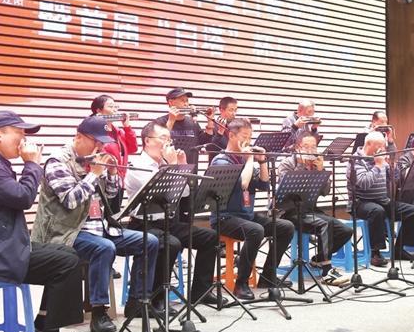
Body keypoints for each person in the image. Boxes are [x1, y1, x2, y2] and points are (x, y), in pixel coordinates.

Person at [0, 111, 90, 332]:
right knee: (65, 262)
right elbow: (23, 198)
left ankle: (43, 327)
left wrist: (29, 165)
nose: (24, 140)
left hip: (1, 247)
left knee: (67, 252)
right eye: (19, 132)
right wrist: (32, 164)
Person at [31, 116, 159, 332]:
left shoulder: (93, 160)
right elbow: (71, 200)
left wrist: (111, 174)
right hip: (67, 232)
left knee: (149, 241)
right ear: (79, 137)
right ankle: (99, 312)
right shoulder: (58, 161)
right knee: (103, 248)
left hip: (100, 227)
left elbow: (110, 196)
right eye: (96, 141)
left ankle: (137, 302)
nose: (100, 147)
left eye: (102, 143)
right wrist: (94, 174)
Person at [125, 121, 223, 307]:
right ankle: (157, 298)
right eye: (163, 138)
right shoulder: (136, 165)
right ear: (147, 141)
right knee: (171, 244)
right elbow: (161, 193)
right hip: (144, 224)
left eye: (169, 139)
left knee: (210, 237)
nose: (168, 143)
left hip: (169, 223)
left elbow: (184, 193)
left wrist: (182, 166)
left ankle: (201, 292)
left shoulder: (165, 163)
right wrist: (172, 165)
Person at [210, 118, 295, 300]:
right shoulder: (221, 161)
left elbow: (264, 185)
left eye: (250, 137)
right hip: (225, 218)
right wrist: (249, 159)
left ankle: (267, 276)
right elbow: (243, 184)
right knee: (256, 230)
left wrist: (262, 162)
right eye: (244, 137)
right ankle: (241, 284)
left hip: (246, 216)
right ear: (231, 136)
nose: (248, 141)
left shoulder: (245, 160)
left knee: (285, 227)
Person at [277, 131, 353, 284]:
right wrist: (302, 166)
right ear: (298, 147)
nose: (311, 150)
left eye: (314, 147)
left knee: (345, 231)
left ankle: (318, 259)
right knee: (325, 224)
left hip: (310, 210)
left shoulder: (316, 165)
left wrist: (321, 172)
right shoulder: (287, 163)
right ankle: (327, 270)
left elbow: (325, 192)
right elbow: (288, 189)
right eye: (306, 147)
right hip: (289, 211)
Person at [346, 132, 414, 267]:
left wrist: (392, 165)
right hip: (360, 202)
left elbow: (395, 179)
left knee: (413, 211)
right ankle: (376, 253)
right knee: (377, 211)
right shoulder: (356, 161)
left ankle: (399, 249)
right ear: (369, 144)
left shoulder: (380, 159)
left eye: (383, 146)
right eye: (379, 146)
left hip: (382, 200)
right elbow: (364, 183)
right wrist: (378, 166)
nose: (382, 149)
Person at [155, 87, 213, 166]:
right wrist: (171, 121)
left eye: (187, 101)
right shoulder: (160, 122)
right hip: (168, 170)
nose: (186, 104)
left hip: (190, 171)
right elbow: (159, 144)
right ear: (171, 102)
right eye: (182, 100)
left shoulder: (192, 122)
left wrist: (210, 121)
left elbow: (205, 142)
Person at [90, 94, 137, 183]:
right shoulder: (93, 133)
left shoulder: (118, 132)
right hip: (102, 181)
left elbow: (132, 149)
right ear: (99, 111)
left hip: (120, 180)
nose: (114, 110)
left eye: (115, 107)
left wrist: (127, 127)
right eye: (110, 106)